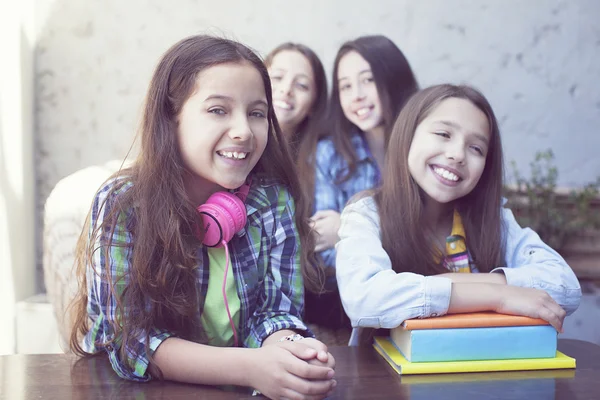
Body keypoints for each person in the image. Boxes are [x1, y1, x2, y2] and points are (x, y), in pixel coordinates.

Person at [68, 35, 336, 400]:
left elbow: (276, 311)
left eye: (256, 113)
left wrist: (289, 349)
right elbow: (129, 340)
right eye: (218, 110)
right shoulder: (123, 205)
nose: (243, 130)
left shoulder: (272, 200)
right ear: (171, 116)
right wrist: (252, 367)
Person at [335, 84, 582, 345]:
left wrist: (461, 284)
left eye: (476, 148)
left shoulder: (494, 220)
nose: (457, 154)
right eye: (443, 134)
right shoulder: (366, 215)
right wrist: (498, 296)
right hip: (385, 378)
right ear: (407, 135)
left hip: (481, 370)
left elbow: (566, 287)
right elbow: (363, 298)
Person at [307, 35, 419, 341]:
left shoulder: (425, 146)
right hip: (352, 299)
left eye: (367, 80)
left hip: (422, 295)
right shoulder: (330, 153)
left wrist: (348, 229)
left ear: (394, 79)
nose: (355, 95)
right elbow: (325, 250)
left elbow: (433, 242)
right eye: (345, 86)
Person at [265, 42, 328, 216]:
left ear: (314, 105)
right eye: (277, 78)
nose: (286, 90)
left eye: (301, 85)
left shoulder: (322, 162)